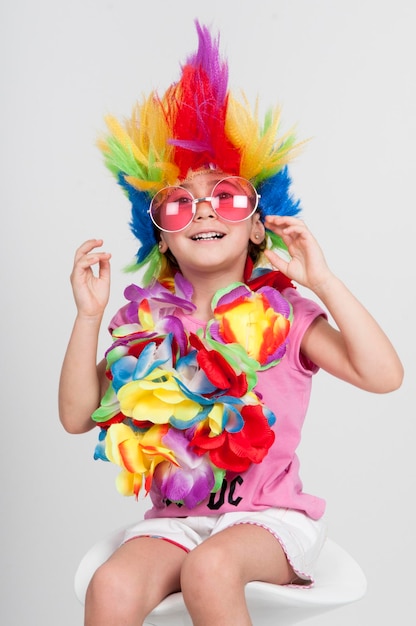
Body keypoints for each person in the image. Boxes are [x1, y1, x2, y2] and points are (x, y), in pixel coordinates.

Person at [59, 22, 403, 626]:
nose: (203, 212)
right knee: (111, 583)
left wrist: (320, 281)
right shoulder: (144, 324)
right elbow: (75, 417)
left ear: (258, 225)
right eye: (179, 203)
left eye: (227, 198)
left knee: (211, 569)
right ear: (160, 237)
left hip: (267, 520)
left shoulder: (290, 314)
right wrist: (89, 318)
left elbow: (384, 375)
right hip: (175, 521)